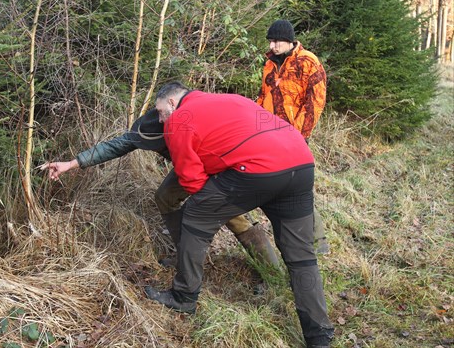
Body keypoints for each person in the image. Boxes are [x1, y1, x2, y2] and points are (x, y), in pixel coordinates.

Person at [145, 82, 334, 348]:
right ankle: (319, 335)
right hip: (301, 162)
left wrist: (215, 209)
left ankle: (184, 296)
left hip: (257, 171)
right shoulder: (232, 99)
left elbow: (191, 180)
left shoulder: (179, 119)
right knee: (301, 256)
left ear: (173, 103)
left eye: (161, 111)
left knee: (194, 217)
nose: (160, 118)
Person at [39, 109, 280, 269]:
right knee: (165, 196)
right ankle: (185, 256)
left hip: (214, 164)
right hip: (187, 166)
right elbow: (115, 146)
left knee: (233, 216)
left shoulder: (189, 125)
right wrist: (72, 163)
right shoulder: (151, 125)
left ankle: (272, 271)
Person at [257, 19, 329, 254]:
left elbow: (315, 103)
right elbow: (262, 96)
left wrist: (298, 135)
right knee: (276, 184)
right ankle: (288, 238)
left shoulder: (308, 62)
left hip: (295, 135)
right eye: (270, 40)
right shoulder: (269, 63)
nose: (273, 45)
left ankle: (318, 241)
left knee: (299, 188)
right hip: (269, 134)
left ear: (289, 40)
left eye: (277, 40)